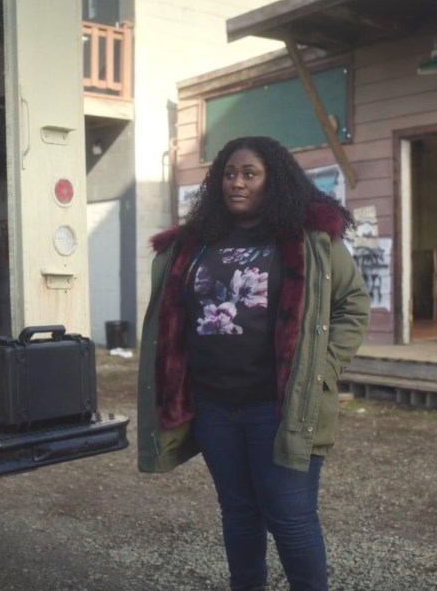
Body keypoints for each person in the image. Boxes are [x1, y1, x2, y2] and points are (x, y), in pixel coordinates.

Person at [137, 136, 371, 591]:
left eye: (249, 174)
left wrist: (319, 370)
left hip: (279, 407)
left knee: (291, 517)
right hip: (214, 406)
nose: (236, 183)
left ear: (273, 180)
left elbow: (353, 306)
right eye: (229, 174)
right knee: (239, 512)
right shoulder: (193, 244)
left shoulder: (310, 240)